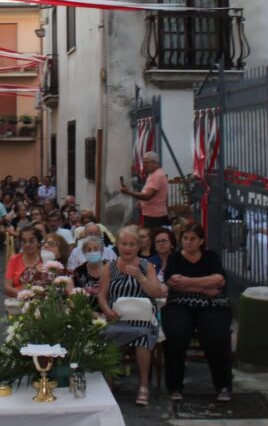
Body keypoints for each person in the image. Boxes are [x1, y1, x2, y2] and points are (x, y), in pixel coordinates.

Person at [162, 224, 232, 403]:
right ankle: (175, 386)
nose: (188, 242)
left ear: (201, 241)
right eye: (185, 238)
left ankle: (223, 385)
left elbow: (219, 279)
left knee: (216, 336)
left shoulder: (211, 257)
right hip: (179, 304)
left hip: (212, 305)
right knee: (176, 335)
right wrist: (205, 287)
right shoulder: (175, 258)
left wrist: (188, 282)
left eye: (193, 239)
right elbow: (173, 282)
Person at [98, 226, 166, 407]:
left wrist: (140, 277)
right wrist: (106, 309)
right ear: (118, 245)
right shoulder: (109, 267)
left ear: (138, 246)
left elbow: (157, 292)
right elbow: (101, 295)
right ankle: (110, 382)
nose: (127, 248)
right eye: (124, 244)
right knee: (107, 334)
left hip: (143, 319)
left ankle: (143, 385)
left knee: (142, 336)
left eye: (132, 244)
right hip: (118, 318)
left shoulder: (146, 266)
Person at [119, 151, 170, 229]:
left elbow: (147, 196)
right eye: (143, 162)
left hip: (155, 216)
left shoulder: (157, 176)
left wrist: (127, 192)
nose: (144, 165)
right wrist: (142, 202)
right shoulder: (153, 174)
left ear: (154, 162)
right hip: (152, 214)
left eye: (146, 163)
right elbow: (149, 194)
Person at [4, 225, 44, 296]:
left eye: (31, 241)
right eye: (24, 241)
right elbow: (7, 287)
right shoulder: (14, 260)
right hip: (18, 299)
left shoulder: (44, 259)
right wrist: (24, 295)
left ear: (38, 243)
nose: (27, 244)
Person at [71, 236, 105, 308]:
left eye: (96, 249)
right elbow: (76, 294)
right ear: (84, 252)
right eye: (89, 250)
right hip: (87, 310)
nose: (92, 252)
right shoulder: (79, 272)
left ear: (101, 251)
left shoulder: (109, 268)